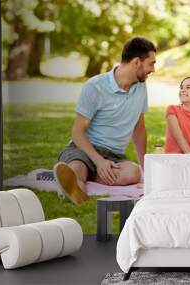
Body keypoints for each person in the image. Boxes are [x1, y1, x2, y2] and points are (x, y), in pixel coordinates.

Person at [53, 37, 156, 205]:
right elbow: (77, 132)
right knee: (78, 167)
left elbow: (139, 128)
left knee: (133, 173)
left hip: (114, 156)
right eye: (151, 63)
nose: (153, 69)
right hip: (84, 149)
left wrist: (145, 167)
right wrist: (99, 161)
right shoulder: (95, 86)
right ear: (137, 62)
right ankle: (77, 189)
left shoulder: (141, 87)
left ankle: (83, 176)